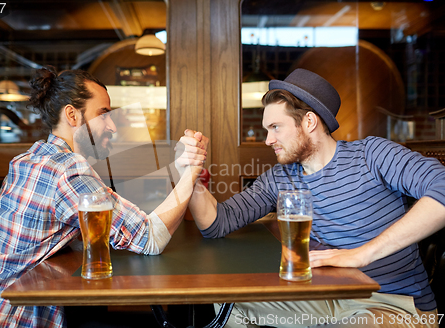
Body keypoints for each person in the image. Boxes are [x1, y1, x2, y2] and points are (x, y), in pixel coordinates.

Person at [0, 66, 208, 327]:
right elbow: (149, 238)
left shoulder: (30, 159)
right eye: (103, 114)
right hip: (3, 320)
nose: (112, 126)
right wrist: (191, 171)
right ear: (72, 115)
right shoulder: (66, 168)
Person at [182, 68, 445, 328]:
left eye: (275, 127)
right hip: (328, 298)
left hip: (396, 304)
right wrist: (190, 174)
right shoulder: (280, 177)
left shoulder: (372, 155)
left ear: (309, 122)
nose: (267, 140)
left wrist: (361, 254)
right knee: (228, 305)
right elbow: (217, 223)